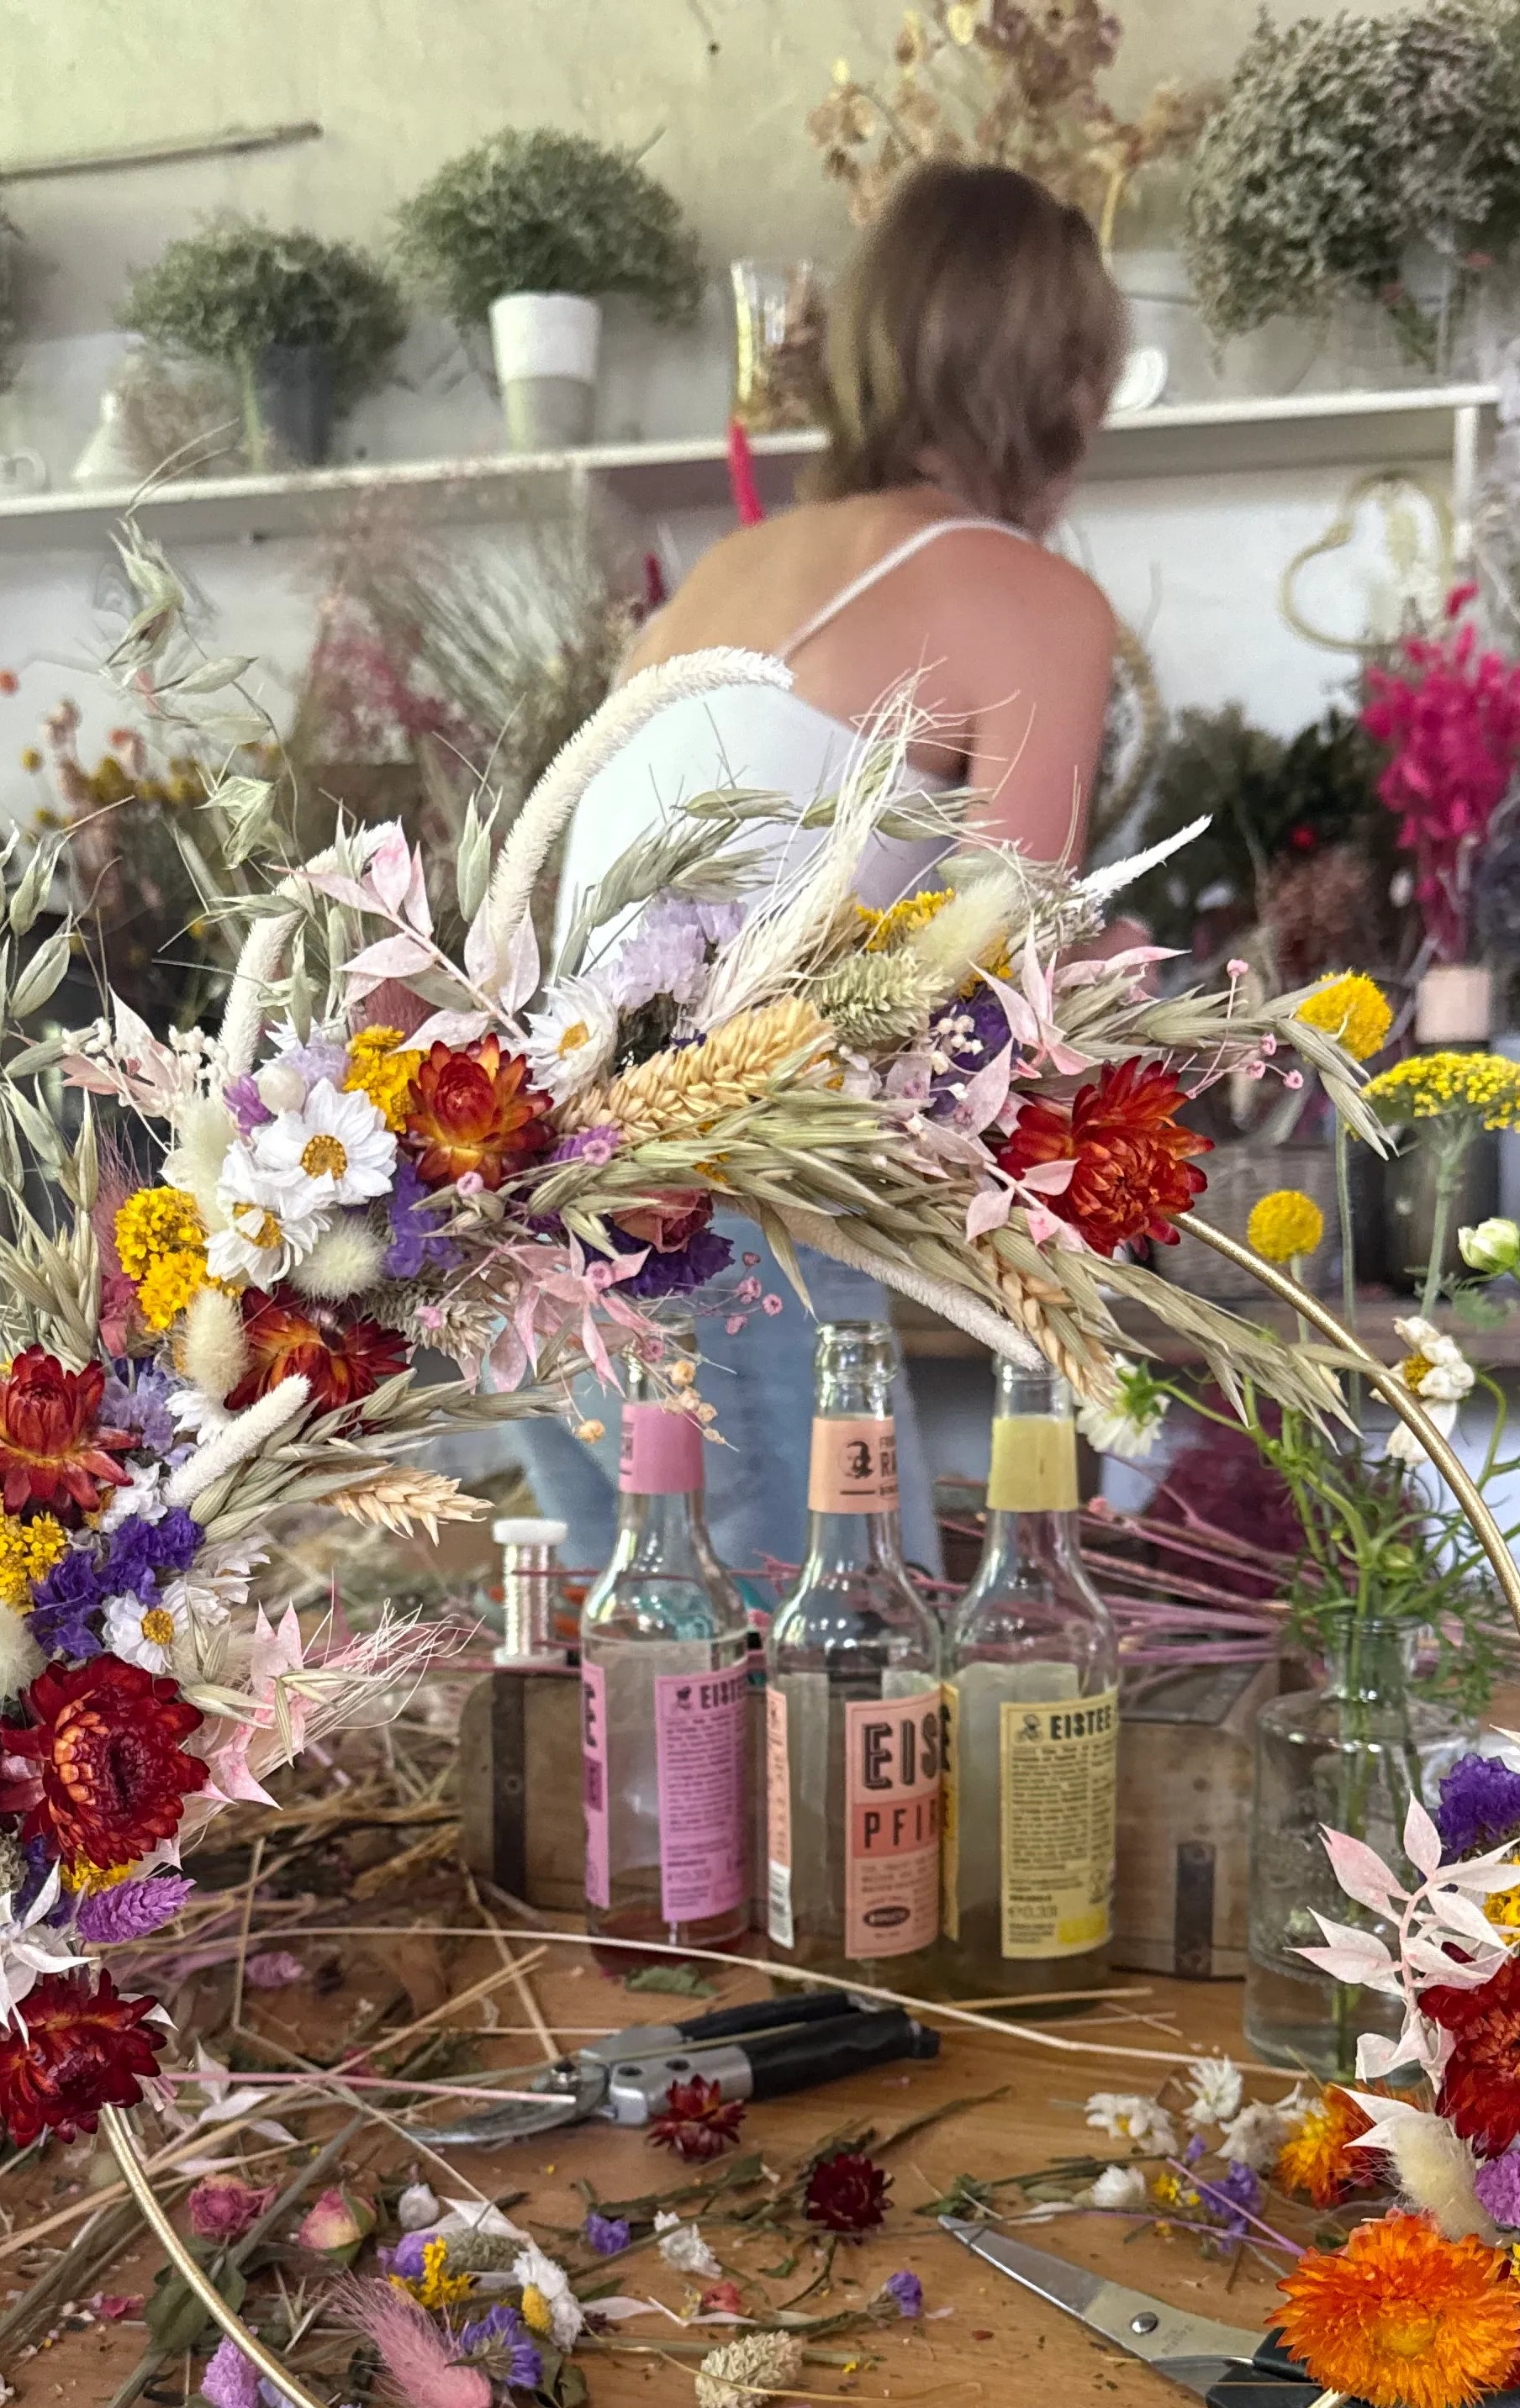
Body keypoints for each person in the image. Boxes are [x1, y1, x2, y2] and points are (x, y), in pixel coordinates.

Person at [521, 161, 1129, 1581]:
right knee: (842, 1719)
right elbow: (998, 969)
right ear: (1063, 378)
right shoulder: (1032, 597)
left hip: (529, 1219)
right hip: (721, 1235)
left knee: (659, 1730)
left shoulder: (725, 576)